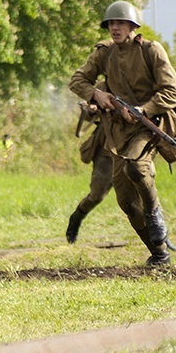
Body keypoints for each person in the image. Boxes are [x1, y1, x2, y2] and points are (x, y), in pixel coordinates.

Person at [69, 0, 176, 265]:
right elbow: (77, 80)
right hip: (118, 133)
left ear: (133, 25)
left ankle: (155, 212)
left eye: (120, 23)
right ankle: (159, 254)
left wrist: (143, 110)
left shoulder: (151, 51)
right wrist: (96, 94)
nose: (115, 28)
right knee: (127, 204)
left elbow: (172, 92)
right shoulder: (104, 53)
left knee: (136, 167)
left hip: (151, 126)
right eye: (111, 23)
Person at [66, 99, 113, 244]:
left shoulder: (141, 82)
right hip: (106, 152)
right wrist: (90, 109)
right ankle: (76, 218)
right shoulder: (104, 87)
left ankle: (159, 236)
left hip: (133, 148)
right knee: (97, 195)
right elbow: (88, 115)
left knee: (142, 191)